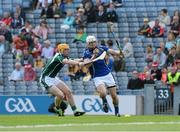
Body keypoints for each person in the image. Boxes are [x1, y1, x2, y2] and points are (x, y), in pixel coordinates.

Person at [40, 43, 85, 116]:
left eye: (68, 50)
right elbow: (67, 61)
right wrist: (78, 64)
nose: (67, 51)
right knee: (61, 95)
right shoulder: (58, 57)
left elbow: (71, 59)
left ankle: (75, 111)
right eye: (66, 50)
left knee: (68, 92)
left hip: (53, 78)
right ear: (61, 50)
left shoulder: (63, 56)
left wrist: (81, 59)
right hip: (46, 79)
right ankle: (57, 108)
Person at [82, 35, 121, 116]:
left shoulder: (101, 48)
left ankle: (117, 112)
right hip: (97, 76)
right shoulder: (86, 53)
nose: (93, 44)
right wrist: (94, 56)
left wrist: (119, 52)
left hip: (107, 74)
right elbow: (87, 65)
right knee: (103, 93)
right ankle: (104, 101)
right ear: (87, 44)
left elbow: (111, 51)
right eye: (90, 43)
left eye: (94, 42)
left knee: (114, 96)